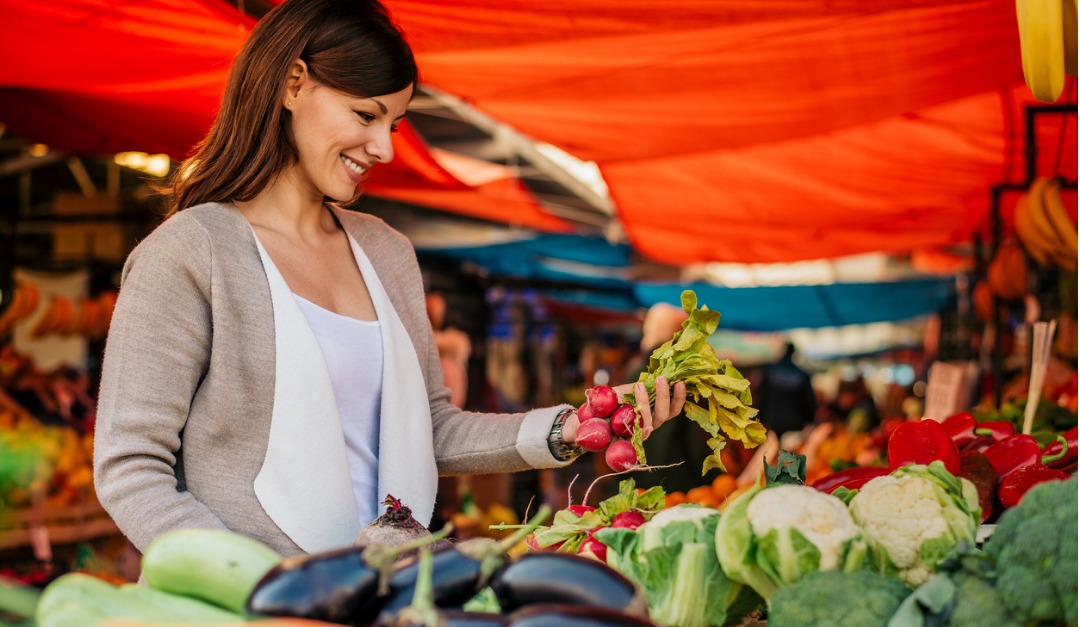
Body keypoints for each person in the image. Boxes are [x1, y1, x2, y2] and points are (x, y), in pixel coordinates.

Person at [91, 0, 686, 558]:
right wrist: (249, 586)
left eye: (394, 125)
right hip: (260, 607)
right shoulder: (190, 253)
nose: (384, 148)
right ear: (292, 84)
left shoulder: (387, 252)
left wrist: (572, 427)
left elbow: (429, 430)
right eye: (366, 115)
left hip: (394, 590)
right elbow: (131, 469)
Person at [756, 342, 817, 440]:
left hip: (773, 420)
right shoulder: (801, 374)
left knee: (773, 446)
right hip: (795, 423)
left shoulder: (770, 372)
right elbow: (809, 401)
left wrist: (761, 419)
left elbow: (762, 397)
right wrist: (810, 420)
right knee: (790, 448)